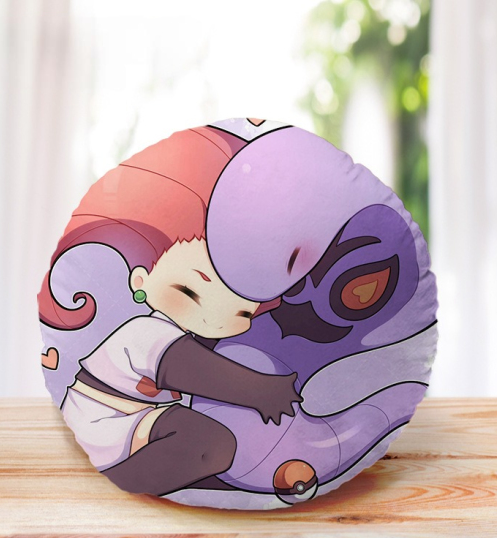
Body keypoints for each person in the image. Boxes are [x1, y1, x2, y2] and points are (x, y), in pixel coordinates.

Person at [38, 126, 302, 497]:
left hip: (137, 423)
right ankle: (139, 478)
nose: (212, 317)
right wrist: (262, 390)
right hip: (109, 423)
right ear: (141, 280)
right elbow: (194, 370)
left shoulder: (182, 336)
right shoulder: (144, 332)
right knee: (209, 441)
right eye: (188, 291)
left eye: (241, 314)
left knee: (213, 441)